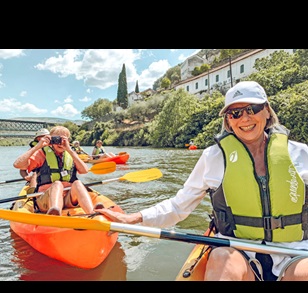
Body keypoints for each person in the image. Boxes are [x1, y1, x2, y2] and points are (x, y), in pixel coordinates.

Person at [95, 81, 308, 281]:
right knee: (222, 260)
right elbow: (179, 206)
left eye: (252, 109)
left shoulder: (301, 154)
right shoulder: (212, 157)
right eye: (235, 113)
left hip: (295, 251)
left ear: (267, 111)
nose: (244, 118)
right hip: (238, 249)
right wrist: (132, 219)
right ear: (228, 120)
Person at [13, 125, 103, 215]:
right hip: (45, 200)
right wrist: (37, 147)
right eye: (56, 139)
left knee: (78, 183)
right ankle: (55, 212)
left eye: (63, 140)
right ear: (50, 140)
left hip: (67, 198)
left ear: (68, 141)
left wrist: (69, 150)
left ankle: (91, 213)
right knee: (57, 184)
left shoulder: (71, 154)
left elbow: (84, 171)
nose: (60, 143)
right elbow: (17, 165)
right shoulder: (41, 153)